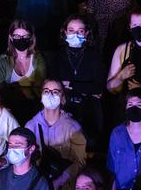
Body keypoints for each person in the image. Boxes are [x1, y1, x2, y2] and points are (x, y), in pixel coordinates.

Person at [45, 15, 105, 143]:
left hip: (89, 109)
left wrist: (70, 84)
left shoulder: (94, 56)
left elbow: (98, 87)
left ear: (86, 33)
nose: (75, 34)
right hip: (64, 106)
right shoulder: (56, 57)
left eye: (80, 31)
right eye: (71, 30)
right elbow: (55, 85)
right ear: (65, 32)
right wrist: (86, 89)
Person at [25, 79, 87, 190]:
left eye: (55, 91)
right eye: (46, 91)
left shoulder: (73, 128)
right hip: (36, 188)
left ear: (62, 97)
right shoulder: (30, 126)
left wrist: (59, 181)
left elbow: (80, 161)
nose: (50, 94)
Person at [0, 19, 46, 123]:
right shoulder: (2, 61)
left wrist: (14, 87)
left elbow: (41, 88)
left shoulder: (39, 59)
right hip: (9, 111)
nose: (21, 39)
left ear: (31, 38)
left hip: (34, 110)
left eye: (25, 36)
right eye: (17, 36)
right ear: (10, 38)